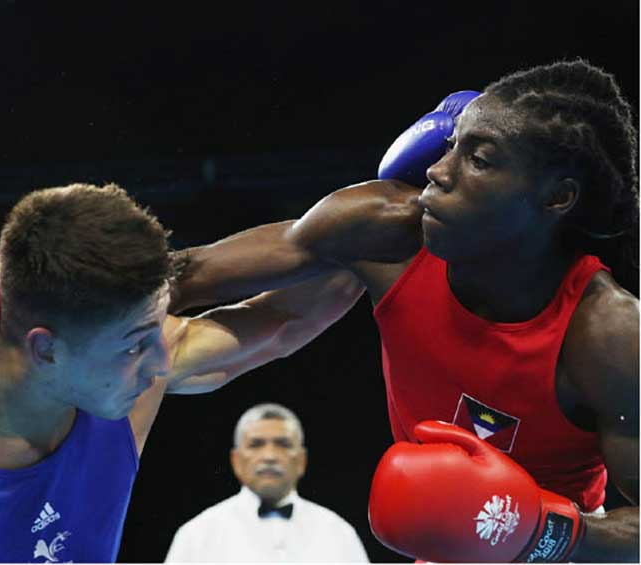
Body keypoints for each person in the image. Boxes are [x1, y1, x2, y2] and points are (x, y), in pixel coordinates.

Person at [169, 60, 639, 562]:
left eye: (478, 159)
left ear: (557, 197)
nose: (438, 170)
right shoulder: (385, 232)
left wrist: (538, 533)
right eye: (451, 145)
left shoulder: (608, 335)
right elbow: (185, 275)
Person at [0, 183, 365, 563]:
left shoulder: (126, 373)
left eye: (157, 328)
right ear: (46, 351)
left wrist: (406, 217)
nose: (160, 363)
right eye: (135, 344)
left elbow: (289, 319)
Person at [165, 403, 370, 563]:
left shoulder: (338, 532)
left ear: (301, 461)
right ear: (236, 461)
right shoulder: (198, 534)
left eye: (283, 444)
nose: (270, 456)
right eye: (256, 444)